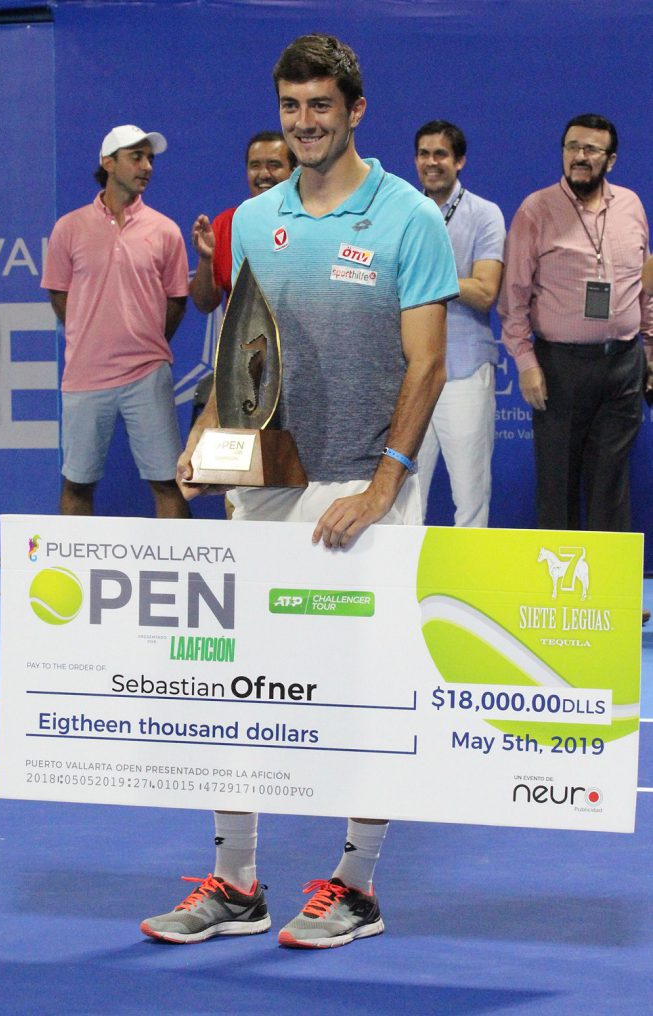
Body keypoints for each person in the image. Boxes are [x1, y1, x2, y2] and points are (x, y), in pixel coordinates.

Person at [140, 33, 458, 949]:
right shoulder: (254, 220)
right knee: (240, 685)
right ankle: (236, 885)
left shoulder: (408, 218)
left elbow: (427, 365)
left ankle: (356, 887)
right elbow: (245, 354)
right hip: (268, 489)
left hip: (364, 488)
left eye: (321, 106)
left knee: (365, 689)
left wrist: (384, 485)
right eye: (291, 106)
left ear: (355, 111)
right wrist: (208, 442)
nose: (304, 122)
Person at [498, 113, 653, 533]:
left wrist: (650, 351)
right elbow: (513, 299)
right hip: (560, 367)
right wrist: (526, 362)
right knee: (557, 486)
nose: (579, 156)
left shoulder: (632, 206)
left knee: (611, 487)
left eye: (590, 149)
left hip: (624, 365)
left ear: (611, 160)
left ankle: (606, 577)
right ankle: (558, 579)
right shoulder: (536, 210)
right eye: (572, 147)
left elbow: (644, 287)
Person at [42, 124, 190, 518]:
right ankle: (72, 561)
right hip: (85, 376)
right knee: (77, 484)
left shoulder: (166, 231)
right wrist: (91, 336)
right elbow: (59, 294)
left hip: (148, 374)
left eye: (150, 159)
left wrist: (145, 342)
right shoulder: (69, 228)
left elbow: (177, 299)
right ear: (108, 163)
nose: (147, 167)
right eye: (136, 157)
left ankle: (177, 561)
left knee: (168, 483)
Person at [414, 120, 505, 526]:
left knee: (469, 496)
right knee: (403, 494)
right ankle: (401, 568)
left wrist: (425, 275)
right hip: (410, 372)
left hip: (464, 370)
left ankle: (469, 569)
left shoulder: (484, 214)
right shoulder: (404, 213)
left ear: (459, 161)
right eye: (424, 154)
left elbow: (485, 291)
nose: (431, 162)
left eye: (441, 154)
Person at [189, 131, 296, 315]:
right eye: (255, 165)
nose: (264, 174)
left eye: (274, 165)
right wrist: (206, 260)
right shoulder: (227, 223)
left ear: (294, 171)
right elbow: (205, 304)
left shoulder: (311, 221)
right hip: (244, 334)